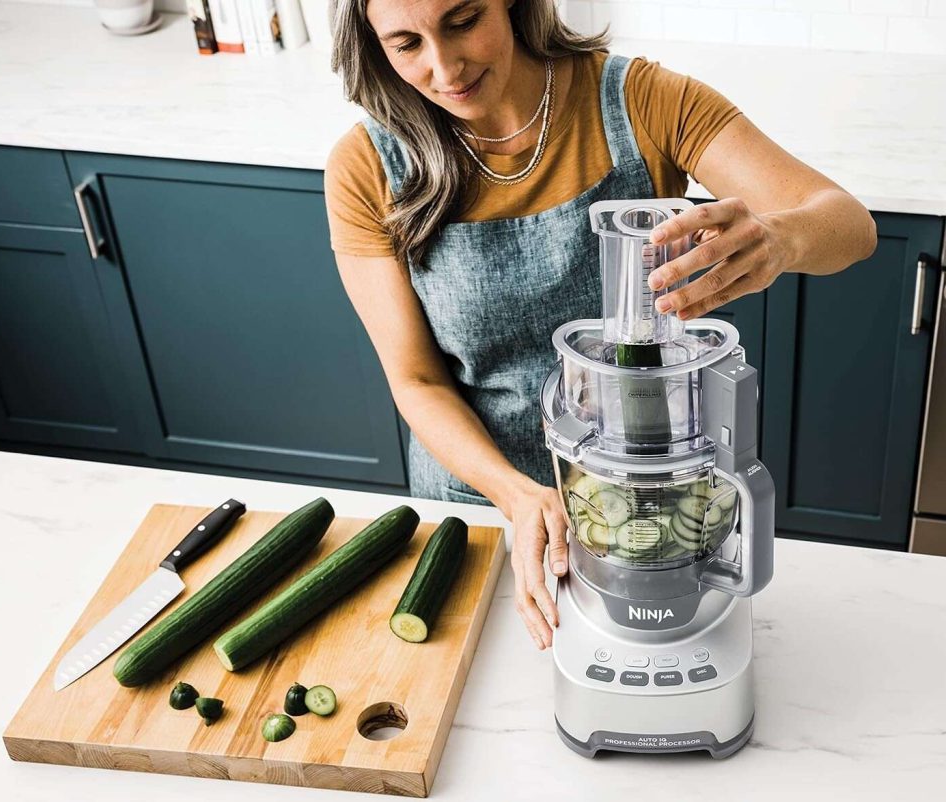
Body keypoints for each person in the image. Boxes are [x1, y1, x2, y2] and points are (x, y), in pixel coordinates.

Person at [323, 0, 876, 651]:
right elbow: (416, 379)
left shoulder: (640, 101)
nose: (445, 67)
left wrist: (779, 239)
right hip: (479, 512)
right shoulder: (367, 167)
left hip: (652, 509)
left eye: (463, 20)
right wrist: (519, 497)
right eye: (405, 43)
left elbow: (849, 225)